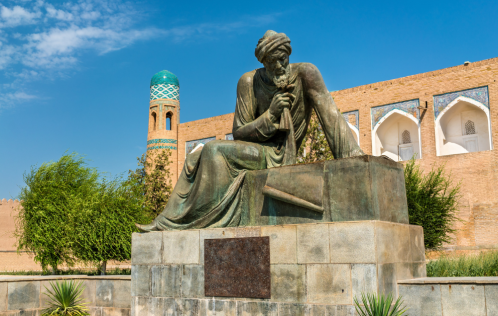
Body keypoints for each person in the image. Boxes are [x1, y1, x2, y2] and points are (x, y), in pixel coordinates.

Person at [136, 30, 363, 232]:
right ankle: (171, 220)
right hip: (258, 150)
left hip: (280, 154)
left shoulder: (306, 74)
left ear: (288, 56)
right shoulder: (248, 82)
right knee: (195, 157)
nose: (279, 67)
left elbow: (331, 116)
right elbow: (240, 133)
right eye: (272, 62)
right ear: (263, 62)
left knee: (214, 150)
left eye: (282, 60)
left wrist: (353, 157)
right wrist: (270, 116)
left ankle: (194, 219)